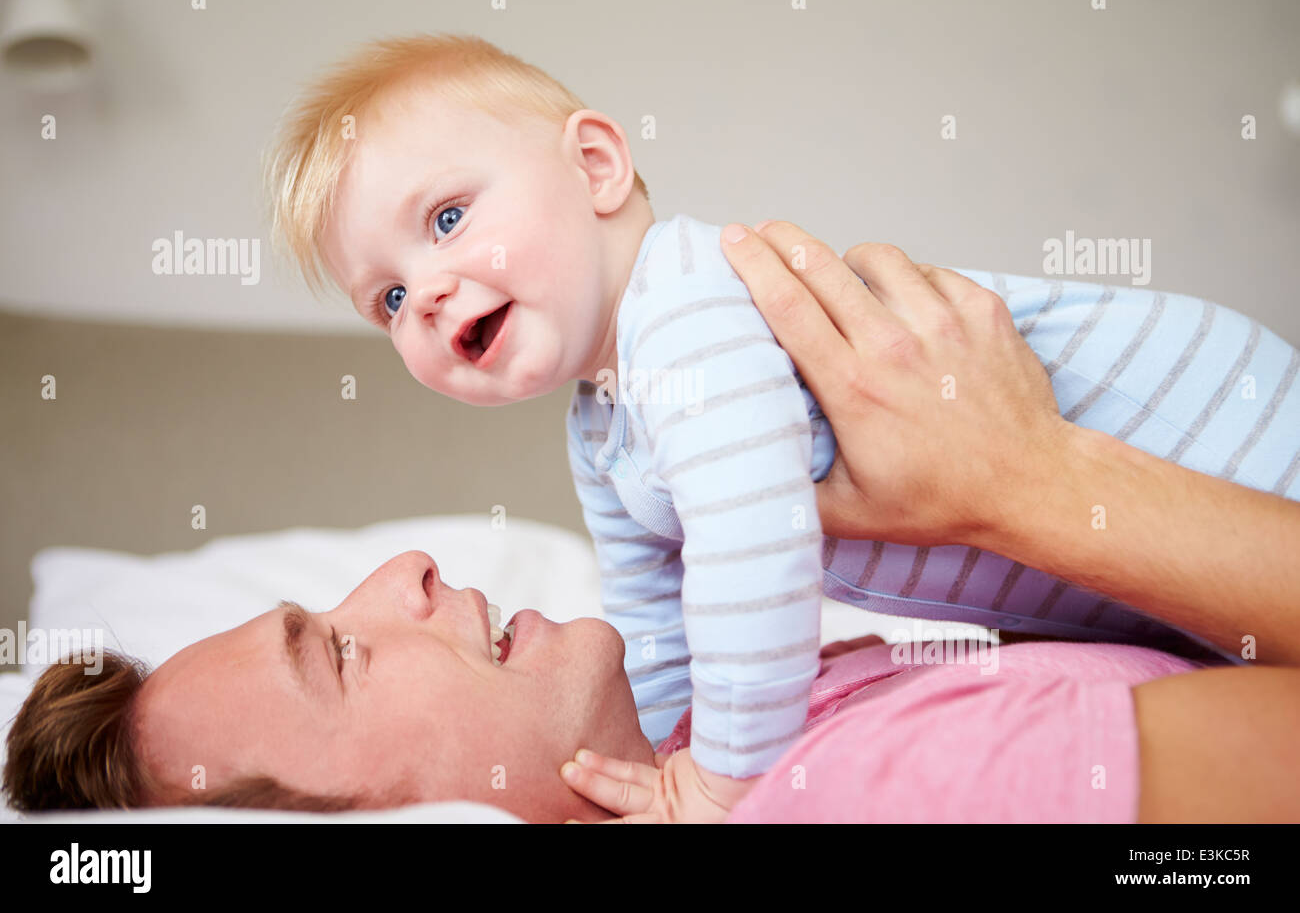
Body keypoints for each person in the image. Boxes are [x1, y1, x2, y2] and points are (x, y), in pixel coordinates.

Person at [265, 32, 1300, 814]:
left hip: (1225, 439)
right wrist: (665, 755)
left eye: (447, 220)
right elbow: (654, 617)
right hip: (1185, 584)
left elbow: (752, 548)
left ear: (594, 168)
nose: (430, 292)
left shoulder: (685, 304)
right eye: (389, 299)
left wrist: (724, 772)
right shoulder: (599, 425)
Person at [6, 227, 1299, 822]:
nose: (402, 569)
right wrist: (1027, 479)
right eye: (334, 654)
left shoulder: (744, 734)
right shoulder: (842, 797)